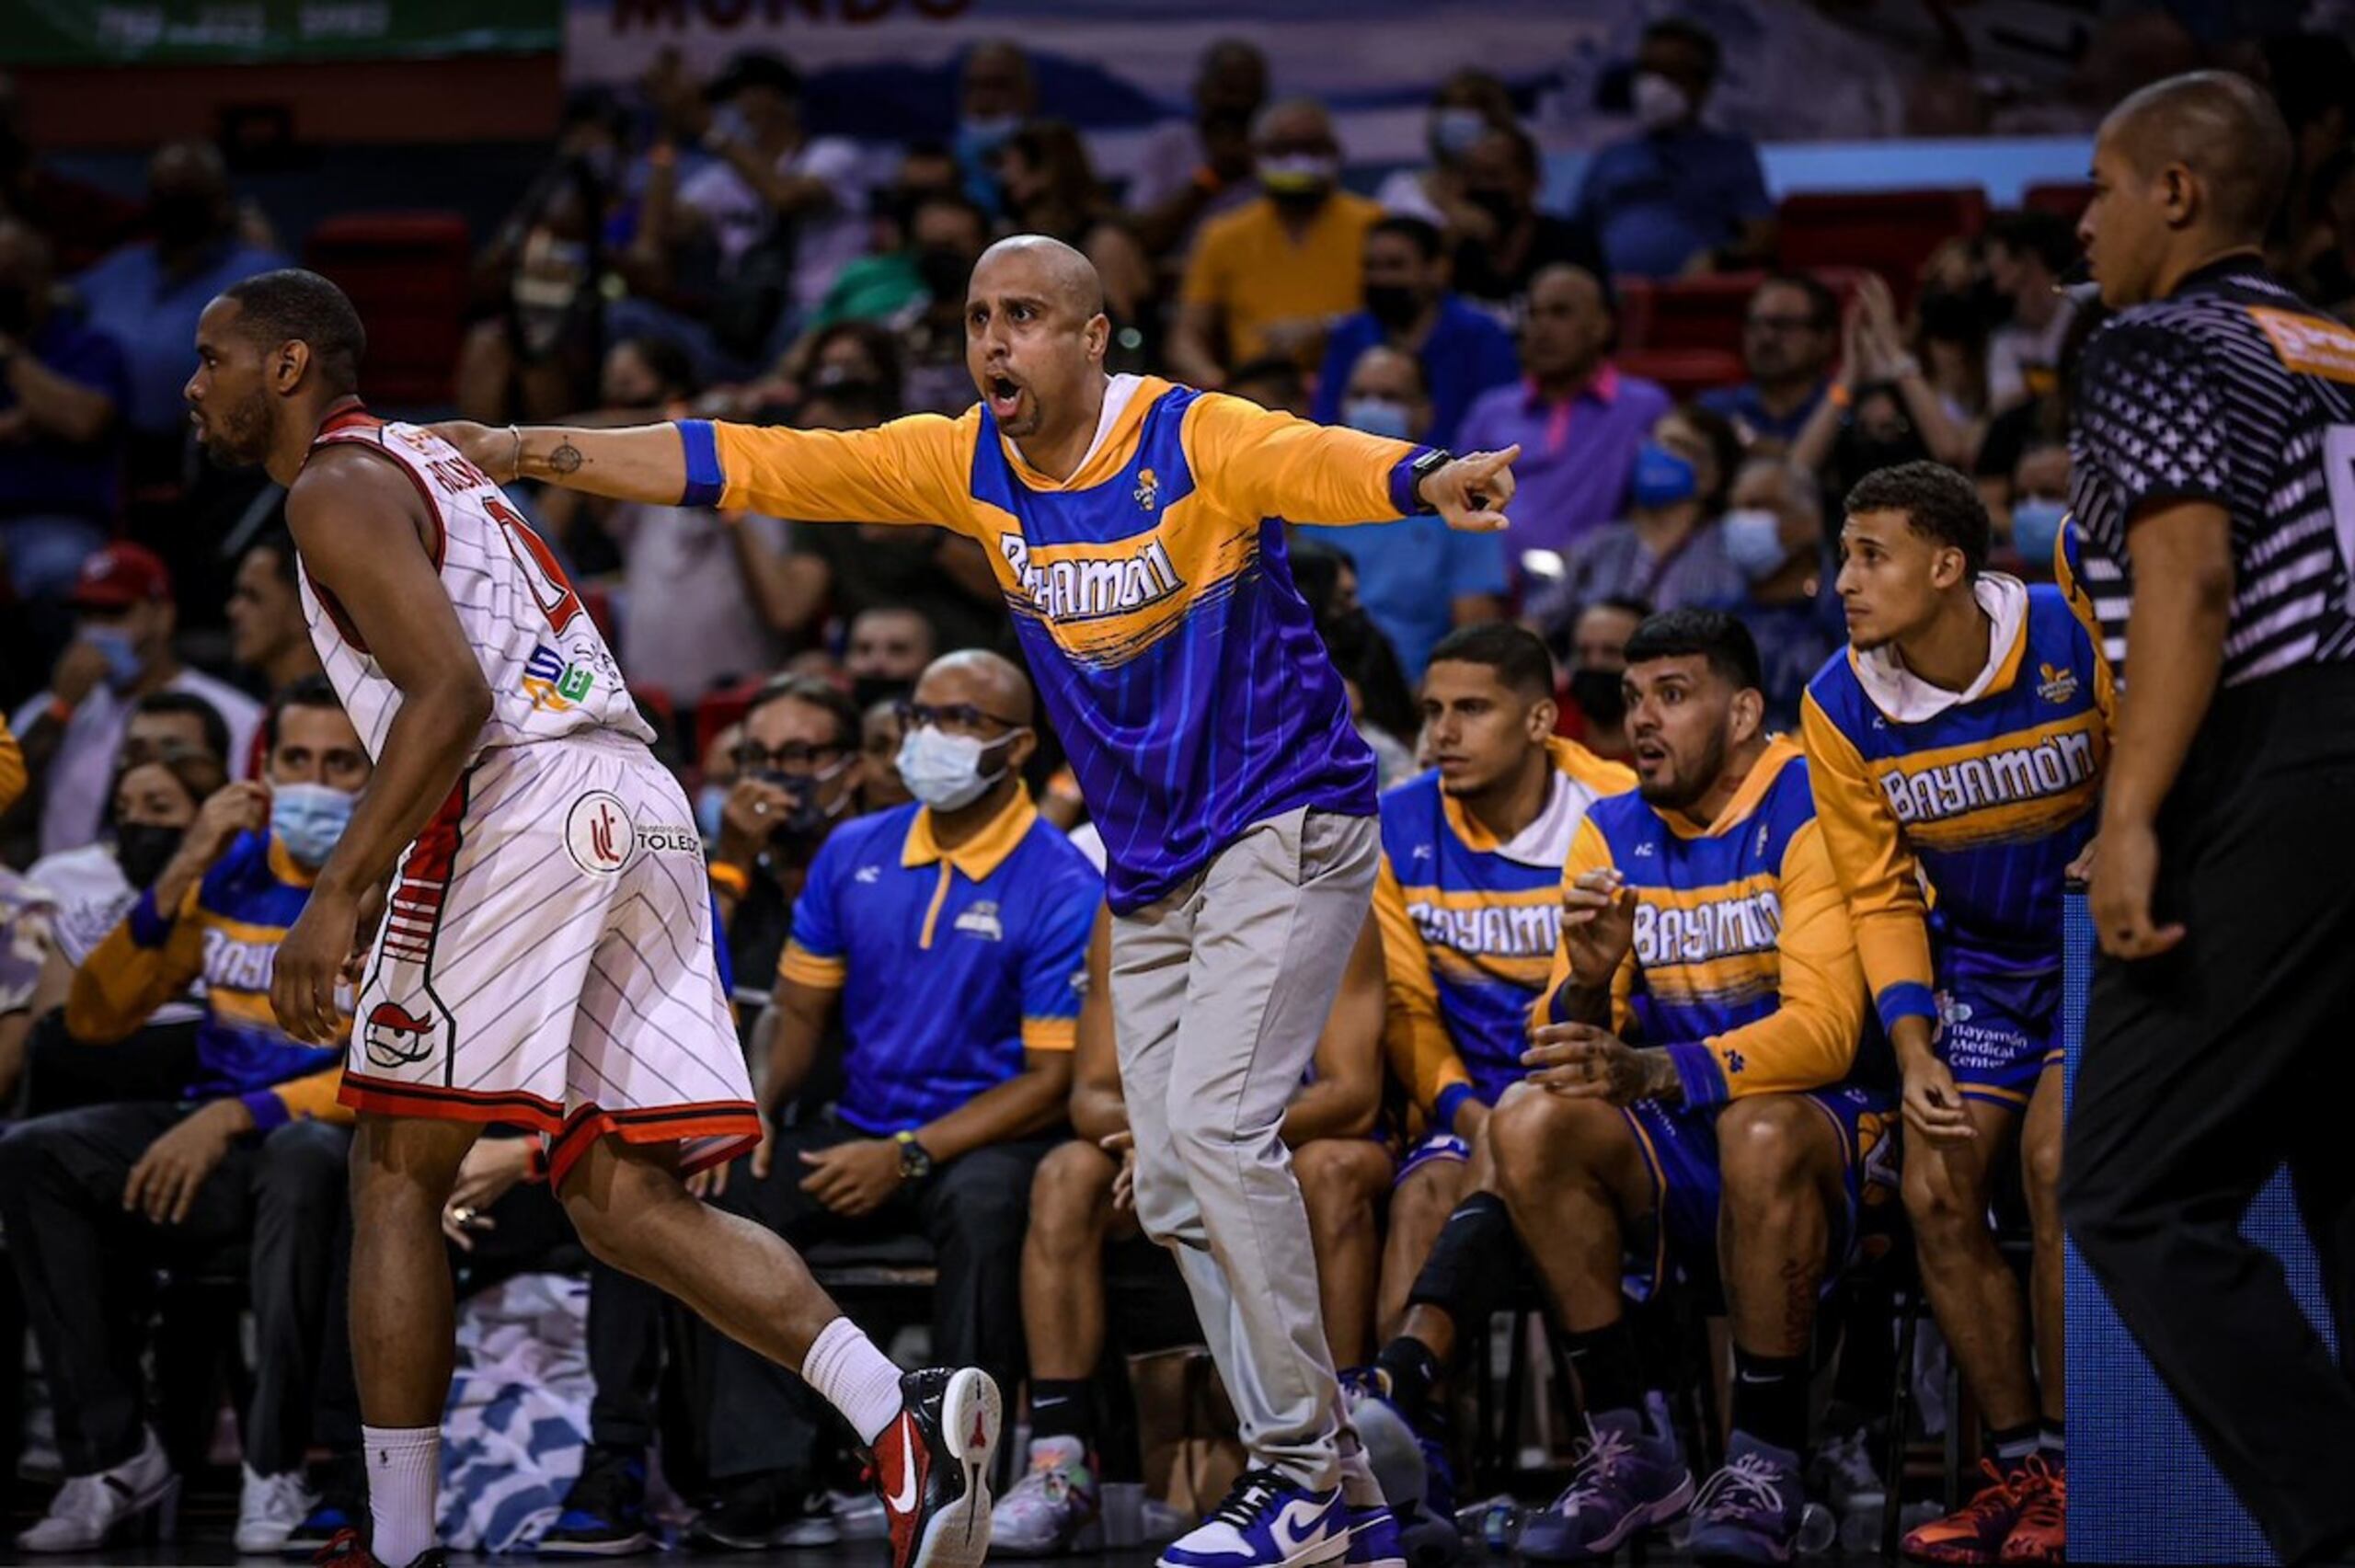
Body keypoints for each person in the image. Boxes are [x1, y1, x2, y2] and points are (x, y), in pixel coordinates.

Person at [441, 231, 1522, 1568]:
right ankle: (1347, 1482)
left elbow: (1321, 458)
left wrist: (1426, 476)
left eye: (1022, 316)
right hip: (1155, 858)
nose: (993, 341)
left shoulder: (1188, 437)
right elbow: (762, 459)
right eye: (975, 319)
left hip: (1285, 817)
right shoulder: (967, 459)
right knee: (1175, 1178)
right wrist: (535, 448)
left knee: (1214, 1135)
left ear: (1091, 336)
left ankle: (1297, 1467)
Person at [186, 269, 1009, 1568]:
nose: (193, 385)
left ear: (290, 366)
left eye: (214, 357)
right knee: (620, 1197)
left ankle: (395, 1548)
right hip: (634, 791)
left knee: (393, 1169)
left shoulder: (333, 486)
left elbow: (450, 700)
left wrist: (335, 895)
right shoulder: (430, 465)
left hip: (519, 795)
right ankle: (889, 1412)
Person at [2061, 70, 2355, 1568]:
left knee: (2130, 1189)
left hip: (2279, 751)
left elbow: (2190, 584)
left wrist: (2131, 815)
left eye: (2102, 187)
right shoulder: (2342, 344)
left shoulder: (2155, 338)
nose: (2083, 220)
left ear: (2176, 192)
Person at [1496, 609, 1895, 1564]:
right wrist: (1588, 983)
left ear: (1745, 709)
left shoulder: (1810, 803)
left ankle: (1767, 1464)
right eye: (1634, 698)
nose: (1641, 720)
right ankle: (1629, 1444)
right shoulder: (1608, 829)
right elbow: (1566, 1043)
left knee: (1758, 1130)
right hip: (1683, 1129)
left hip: (1831, 1127)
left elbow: (1829, 1029)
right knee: (1527, 1122)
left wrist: (1657, 1068)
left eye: (1672, 696)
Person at [693, 650, 1097, 1551]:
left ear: (1020, 746)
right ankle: (770, 1476)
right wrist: (754, 1109)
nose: (929, 738)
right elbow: (799, 1008)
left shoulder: (1061, 883)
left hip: (989, 1131)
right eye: (921, 716)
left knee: (992, 1206)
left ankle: (961, 1471)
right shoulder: (855, 849)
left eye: (960, 721)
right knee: (726, 1199)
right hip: (863, 1121)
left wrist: (911, 1153)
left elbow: (1052, 1081)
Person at [1801, 462, 2108, 1567]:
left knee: (2056, 1160)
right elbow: (1878, 890)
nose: (1844, 579)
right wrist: (1911, 1037)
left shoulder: (2069, 634)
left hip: (2096, 949)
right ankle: (2016, 1464)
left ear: (1947, 566)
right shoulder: (1838, 701)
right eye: (1843, 553)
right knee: (1933, 1178)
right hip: (1977, 966)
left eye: (1870, 554)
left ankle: (2082, 1469)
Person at [5, 678, 371, 1555]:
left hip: (347, 1154)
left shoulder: (396, 886)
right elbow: (94, 1019)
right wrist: (181, 866)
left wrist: (236, 1116)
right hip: (220, 1139)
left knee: (305, 1156)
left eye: (341, 764)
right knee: (32, 1155)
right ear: (264, 769)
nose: (315, 782)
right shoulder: (230, 869)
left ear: (377, 775)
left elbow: (392, 1071)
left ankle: (275, 1466)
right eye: (296, 760)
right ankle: (112, 1455)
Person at [994, 906, 1392, 1556]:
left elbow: (1353, 1093)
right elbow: (1090, 1092)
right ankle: (1059, 1459)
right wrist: (1157, 1140)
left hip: (1297, 1138)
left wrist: (1190, 1141)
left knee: (1334, 1170)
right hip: (1160, 1145)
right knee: (1066, 1175)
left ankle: (1344, 1441)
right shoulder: (1129, 899)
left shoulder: (1312, 885)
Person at [1356, 624, 1631, 1518]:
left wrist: (1508, 1119)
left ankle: (1399, 1389)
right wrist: (1468, 1113)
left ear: (1541, 718)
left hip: (1593, 1096)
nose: (1442, 732)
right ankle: (1419, 1461)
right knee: (1422, 1193)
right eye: (1432, 710)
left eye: (1471, 709)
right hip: (1462, 1105)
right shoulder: (1398, 819)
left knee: (1514, 1139)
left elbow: (1628, 987)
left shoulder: (1614, 806)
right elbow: (1407, 1008)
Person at [10, 543, 262, 858]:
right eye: (87, 614)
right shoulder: (48, 712)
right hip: (63, 894)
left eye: (115, 612)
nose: (97, 629)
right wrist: (62, 709)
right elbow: (8, 809)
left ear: (163, 616)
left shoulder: (233, 714)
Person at [1294, 347, 1508, 680]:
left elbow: (1475, 642)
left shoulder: (1461, 501)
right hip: (1311, 688)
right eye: (1360, 395)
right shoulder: (1306, 491)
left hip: (1414, 701)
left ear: (1426, 412)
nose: (1372, 407)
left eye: (1389, 397)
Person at [74, 141, 285, 457]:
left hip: (202, 448)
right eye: (166, 194)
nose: (176, 209)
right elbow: (49, 303)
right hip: (97, 440)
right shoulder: (122, 266)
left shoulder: (259, 270)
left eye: (189, 195)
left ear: (222, 200)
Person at [1459, 265, 1671, 565]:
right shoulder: (1490, 411)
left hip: (1598, 583)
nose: (1541, 328)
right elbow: (1459, 507)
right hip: (1493, 587)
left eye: (1560, 313)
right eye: (1533, 314)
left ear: (1601, 325)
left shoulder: (1644, 407)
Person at [1168, 100, 1383, 387]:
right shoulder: (1223, 233)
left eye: (1311, 148)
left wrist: (1327, 328)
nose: (1297, 160)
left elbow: (1405, 316)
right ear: (1255, 156)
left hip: (1354, 387)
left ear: (1335, 153)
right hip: (1258, 395)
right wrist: (1223, 387)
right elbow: (1185, 338)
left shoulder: (1374, 224)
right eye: (1282, 149)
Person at [1569, 19, 1773, 279]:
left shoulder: (1731, 155)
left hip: (1690, 304)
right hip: (1612, 303)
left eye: (1669, 73)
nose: (1653, 86)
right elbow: (1575, 236)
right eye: (1646, 71)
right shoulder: (1612, 157)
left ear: (1702, 84)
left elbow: (1761, 236)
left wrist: (1721, 259)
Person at [0, 217, 131, 606]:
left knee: (58, 571)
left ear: (44, 280)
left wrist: (9, 356)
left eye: (13, 276)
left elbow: (83, 422)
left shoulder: (92, 348)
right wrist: (34, 416)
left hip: (57, 520)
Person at [706, 672, 862, 991]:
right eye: (756, 756)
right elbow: (679, 981)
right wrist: (733, 862)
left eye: (797, 755)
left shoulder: (883, 868)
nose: (773, 774)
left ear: (851, 771)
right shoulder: (706, 866)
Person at [1311, 217, 1520, 450]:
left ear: (1438, 269)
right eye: (1371, 266)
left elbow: (1500, 427)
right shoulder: (1348, 335)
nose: (1381, 278)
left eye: (1395, 266)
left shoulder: (1482, 337)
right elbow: (1325, 423)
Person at [1539, 406, 1746, 637]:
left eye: (1678, 446)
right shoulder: (1602, 545)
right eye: (1655, 442)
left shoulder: (1732, 549)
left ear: (1713, 476)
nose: (1658, 453)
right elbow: (1539, 620)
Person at [1444, 127, 1609, 326]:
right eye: (1471, 177)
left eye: (1493, 175)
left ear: (1532, 181)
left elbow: (1599, 327)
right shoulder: (1452, 249)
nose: (1482, 186)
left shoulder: (1571, 245)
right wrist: (1447, 246)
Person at [1717, 458, 1835, 728]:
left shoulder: (1849, 616)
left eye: (1759, 506)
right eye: (1735, 507)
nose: (1742, 522)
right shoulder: (1716, 621)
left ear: (1810, 521)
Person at [1127, 39, 1269, 263]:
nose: (1237, 103)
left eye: (1248, 91)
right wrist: (1212, 178)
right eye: (1228, 89)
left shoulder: (1277, 150)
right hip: (1178, 279)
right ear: (1200, 90)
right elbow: (1143, 237)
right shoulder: (1170, 143)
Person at [1695, 274, 1836, 450]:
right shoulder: (1715, 411)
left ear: (1824, 339)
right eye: (1755, 323)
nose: (1766, 337)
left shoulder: (1841, 405)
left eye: (1783, 324)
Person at [1981, 211, 2080, 414]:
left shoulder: (2089, 307)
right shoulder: (2004, 341)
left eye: (1999, 273)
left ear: (2028, 260)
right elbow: (2003, 409)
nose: (1998, 288)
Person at [226, 532, 324, 699]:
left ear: (303, 609)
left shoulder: (343, 716)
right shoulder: (265, 711)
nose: (233, 610)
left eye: (253, 597)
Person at [1557, 597, 1647, 763]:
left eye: (1611, 652)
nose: (1595, 663)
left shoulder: (1664, 741)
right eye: (1584, 652)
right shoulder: (1551, 717)